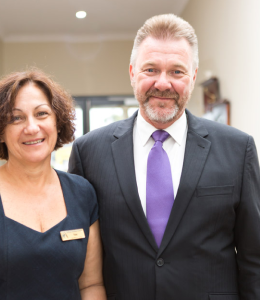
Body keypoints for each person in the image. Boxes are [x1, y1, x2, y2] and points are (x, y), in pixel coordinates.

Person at [68, 14, 260, 300]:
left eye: (177, 72)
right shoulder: (88, 152)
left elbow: (254, 258)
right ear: (132, 72)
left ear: (193, 76)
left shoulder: (237, 149)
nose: (163, 83)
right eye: (151, 69)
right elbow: (78, 257)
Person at [0, 69, 107, 300]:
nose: (31, 127)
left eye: (41, 114)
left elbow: (91, 285)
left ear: (57, 123)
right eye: (16, 118)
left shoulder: (83, 193)